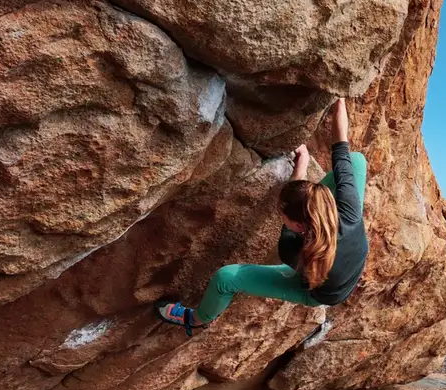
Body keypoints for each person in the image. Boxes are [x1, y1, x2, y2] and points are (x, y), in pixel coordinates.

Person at [156, 98, 368, 346]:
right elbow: (340, 142)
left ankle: (197, 319)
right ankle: (310, 205)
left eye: (284, 216)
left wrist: (300, 169)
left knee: (225, 278)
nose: (281, 218)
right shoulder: (350, 209)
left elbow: (299, 242)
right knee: (355, 161)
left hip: (320, 290)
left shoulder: (293, 248)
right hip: (348, 266)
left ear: (299, 227)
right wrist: (340, 98)